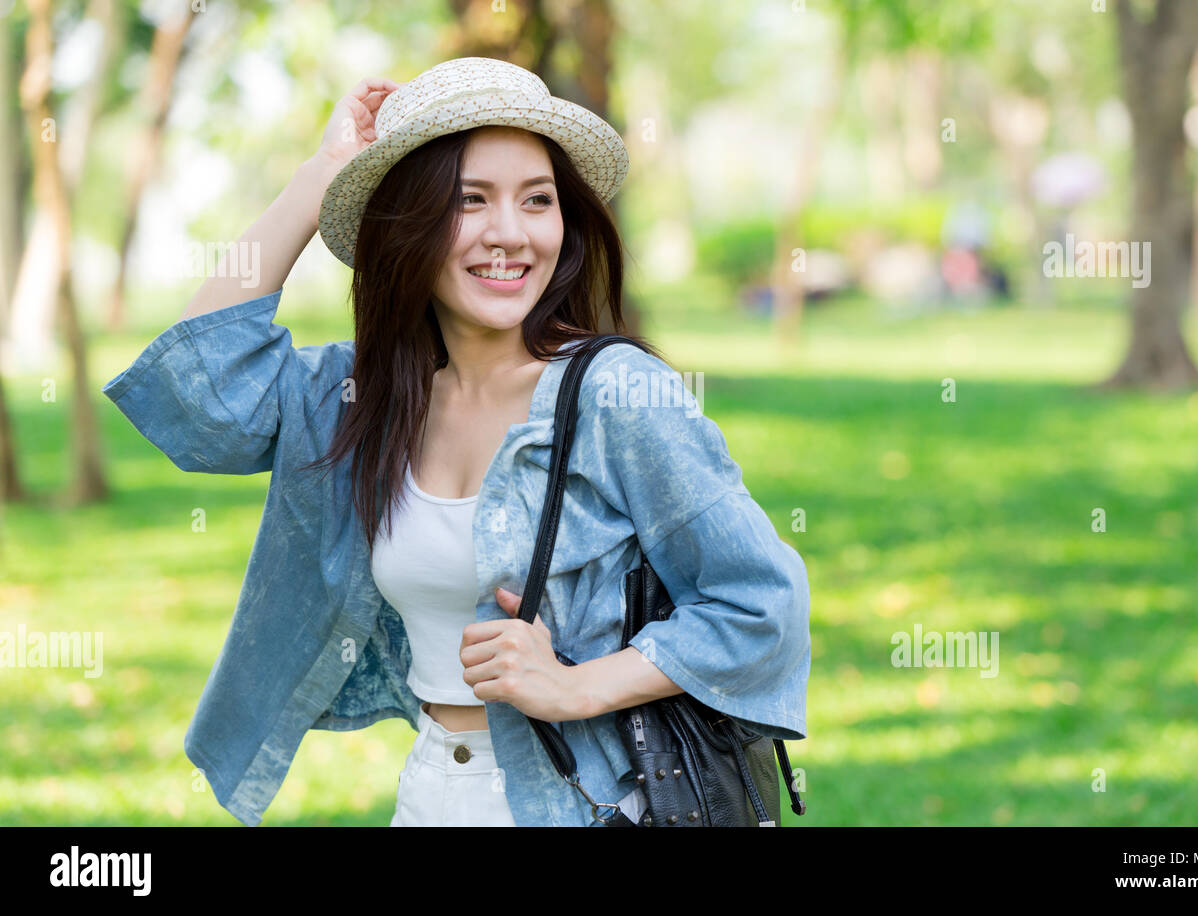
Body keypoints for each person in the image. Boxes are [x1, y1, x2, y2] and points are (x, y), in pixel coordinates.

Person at [101, 58, 811, 827]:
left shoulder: (614, 395)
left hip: (583, 802)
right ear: (406, 224)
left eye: (537, 201)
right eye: (469, 201)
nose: (510, 233)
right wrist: (323, 178)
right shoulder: (360, 399)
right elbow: (196, 396)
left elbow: (761, 603)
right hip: (433, 791)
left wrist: (578, 685)